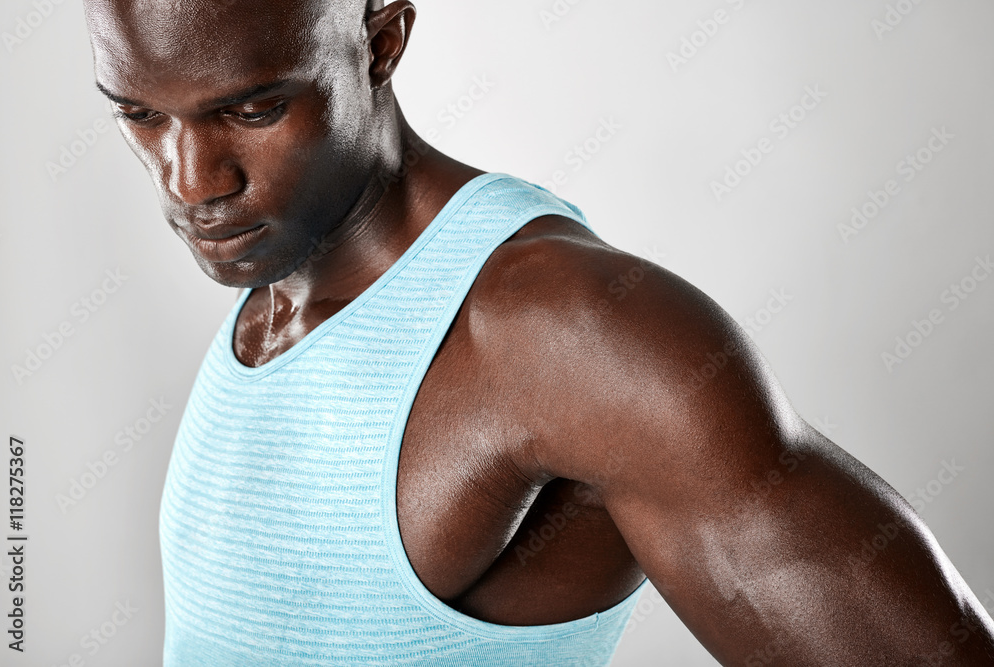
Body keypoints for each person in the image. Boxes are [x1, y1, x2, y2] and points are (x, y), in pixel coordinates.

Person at [83, 0, 994, 664]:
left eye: (252, 110)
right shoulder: (275, 276)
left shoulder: (571, 333)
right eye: (140, 115)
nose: (192, 181)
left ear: (380, 39)